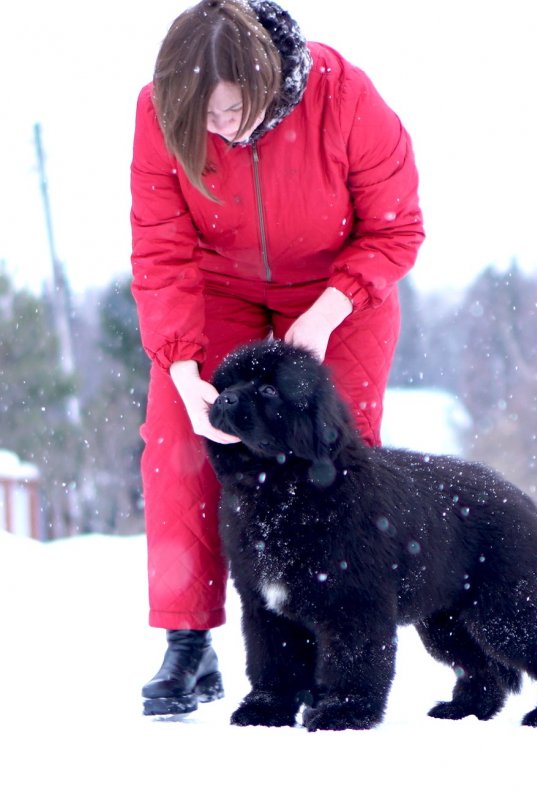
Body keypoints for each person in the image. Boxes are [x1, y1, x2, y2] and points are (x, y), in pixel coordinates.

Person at [130, 0, 424, 716]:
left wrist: (326, 313)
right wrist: (179, 364)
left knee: (335, 453)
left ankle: (341, 643)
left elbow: (398, 229)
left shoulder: (345, 95)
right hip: (217, 289)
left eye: (227, 112)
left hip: (337, 291)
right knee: (180, 442)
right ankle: (188, 639)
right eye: (196, 117)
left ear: (263, 82)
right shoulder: (159, 110)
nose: (213, 129)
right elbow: (160, 248)